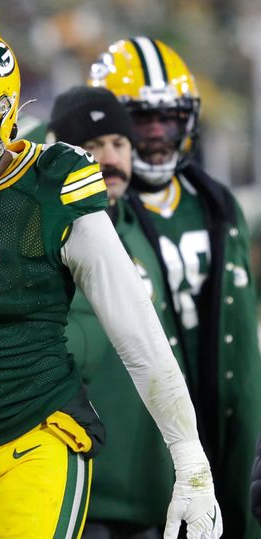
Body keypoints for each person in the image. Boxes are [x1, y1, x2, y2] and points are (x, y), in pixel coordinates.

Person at [0, 21, 222, 539]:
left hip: (38, 435)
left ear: (3, 117)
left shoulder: (53, 186)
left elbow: (137, 332)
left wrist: (190, 461)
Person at [89, 37, 261, 539]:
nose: (160, 134)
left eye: (171, 118)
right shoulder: (93, 213)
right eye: (143, 120)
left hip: (208, 410)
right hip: (129, 445)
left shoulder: (214, 204)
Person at [47, 85, 179, 538]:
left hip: (146, 492)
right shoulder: (42, 236)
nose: (109, 159)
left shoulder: (139, 228)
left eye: (118, 144)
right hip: (75, 485)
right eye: (92, 147)